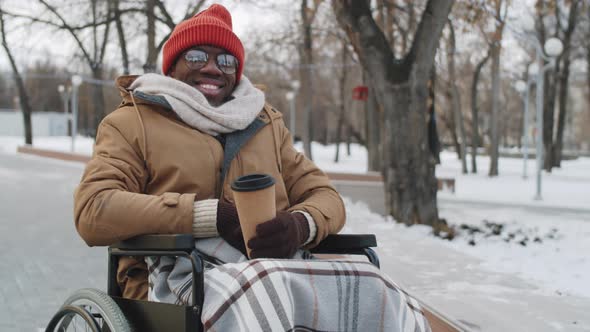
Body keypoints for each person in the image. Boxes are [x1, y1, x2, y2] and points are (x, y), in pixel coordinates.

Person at [74, 4, 430, 331]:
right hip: (174, 275)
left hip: (275, 266)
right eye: (197, 56)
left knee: (375, 286)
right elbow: (93, 210)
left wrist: (298, 224)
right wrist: (208, 216)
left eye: (226, 60)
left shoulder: (264, 124)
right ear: (173, 65)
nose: (213, 68)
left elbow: (325, 196)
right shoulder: (132, 122)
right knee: (262, 288)